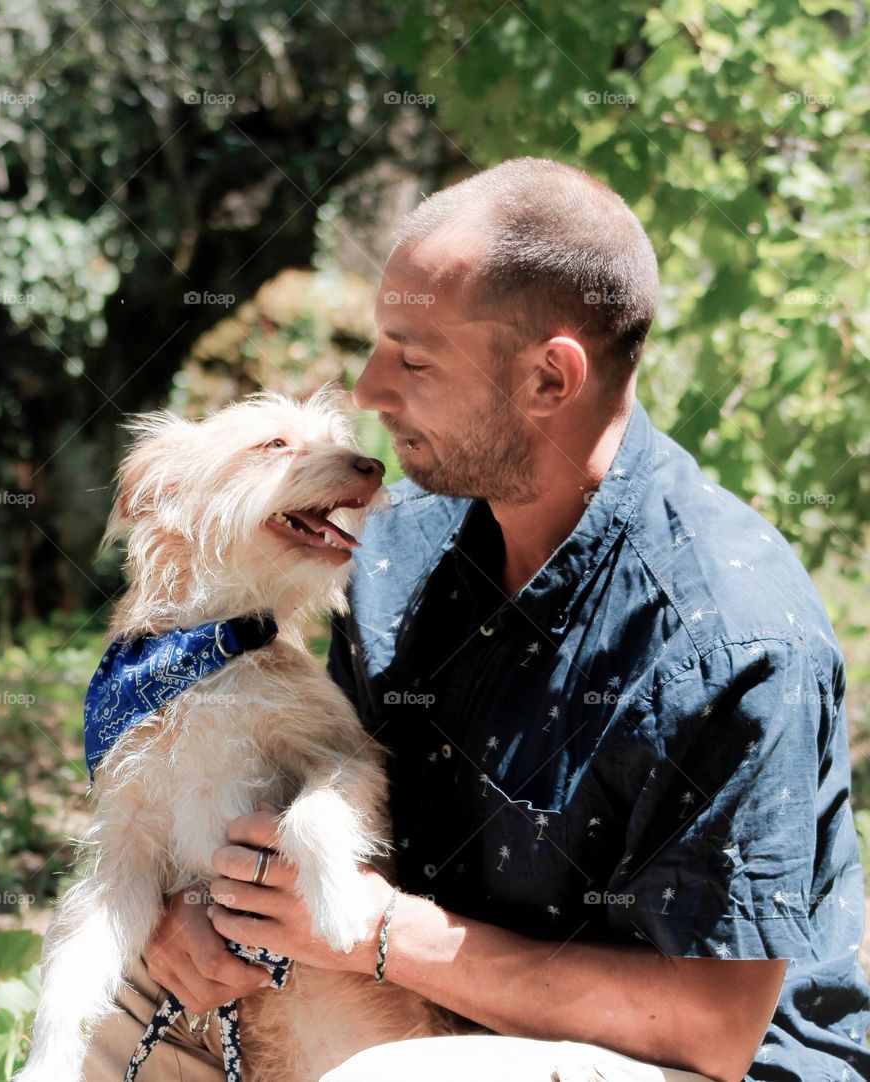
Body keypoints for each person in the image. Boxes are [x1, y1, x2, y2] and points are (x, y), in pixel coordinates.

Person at [82, 158, 869, 1082]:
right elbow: (279, 788)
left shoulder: (729, 637)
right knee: (119, 1002)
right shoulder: (387, 553)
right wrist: (189, 921)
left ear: (549, 379)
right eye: (380, 344)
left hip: (690, 1063)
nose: (371, 390)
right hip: (407, 999)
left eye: (414, 358)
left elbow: (710, 1027)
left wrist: (382, 936)